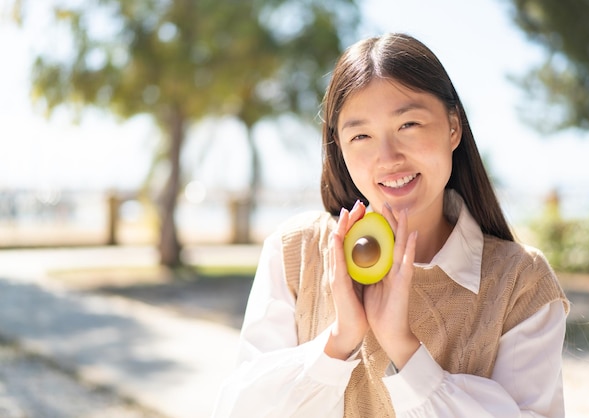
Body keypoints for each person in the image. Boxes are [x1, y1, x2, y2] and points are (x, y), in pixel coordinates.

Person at [211, 33, 569, 418]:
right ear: (339, 147)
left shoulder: (520, 282)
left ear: (453, 127)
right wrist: (338, 341)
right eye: (361, 135)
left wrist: (405, 349)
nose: (388, 158)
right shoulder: (296, 252)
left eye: (409, 124)